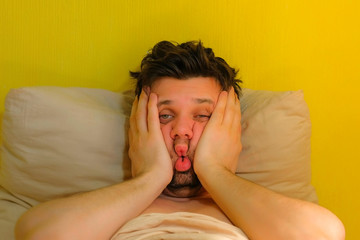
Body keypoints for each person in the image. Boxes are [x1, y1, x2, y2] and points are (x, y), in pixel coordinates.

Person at [15, 41, 345, 240]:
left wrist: (214, 170)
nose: (181, 131)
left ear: (229, 128)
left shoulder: (250, 212)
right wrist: (151, 177)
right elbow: (38, 234)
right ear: (138, 128)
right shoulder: (114, 209)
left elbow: (324, 235)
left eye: (202, 116)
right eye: (164, 116)